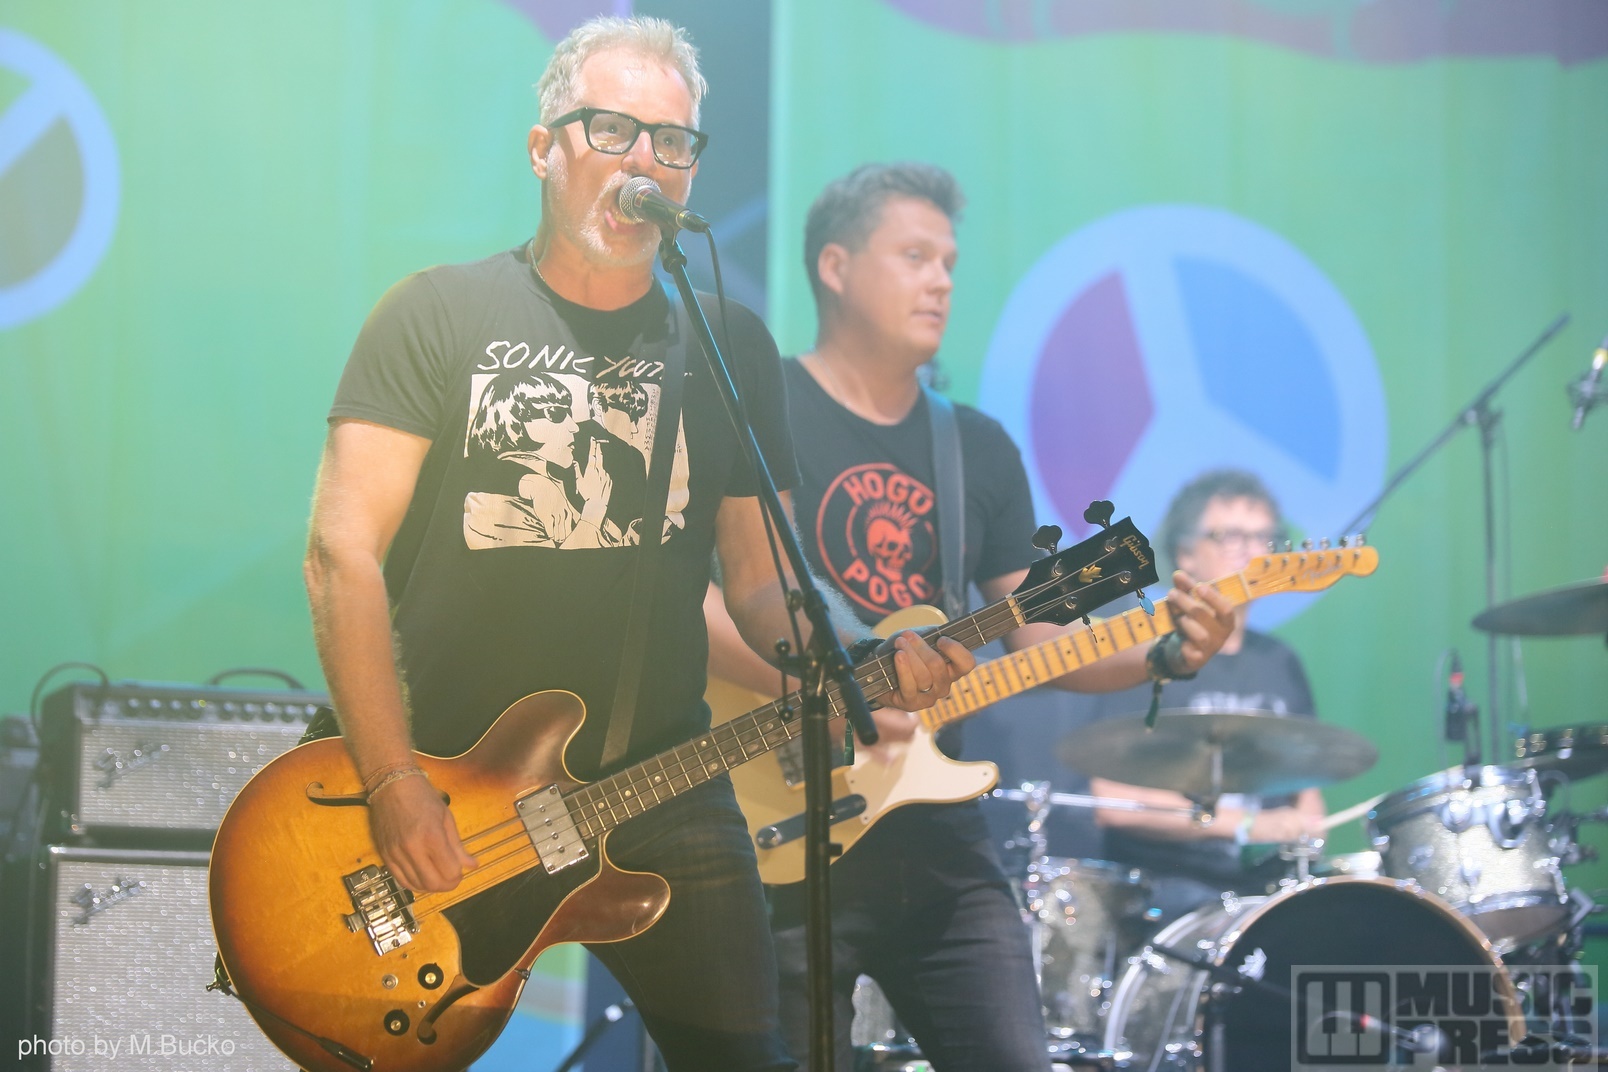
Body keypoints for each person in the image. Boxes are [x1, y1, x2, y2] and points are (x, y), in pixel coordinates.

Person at [303, 20, 971, 1072]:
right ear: (543, 148)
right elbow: (341, 555)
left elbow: (762, 584)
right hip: (445, 781)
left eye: (671, 141)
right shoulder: (438, 313)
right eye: (611, 129)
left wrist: (864, 649)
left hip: (657, 783)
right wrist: (391, 780)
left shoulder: (726, 343)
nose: (643, 161)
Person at [703, 162, 1237, 1072]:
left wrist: (1164, 655)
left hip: (935, 835)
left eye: (949, 262)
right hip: (778, 823)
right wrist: (830, 693)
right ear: (835, 267)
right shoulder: (761, 415)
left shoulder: (975, 446)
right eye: (915, 256)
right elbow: (707, 599)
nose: (941, 281)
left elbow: (1038, 636)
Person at [1087, 469, 1327, 922]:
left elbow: (1308, 792)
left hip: (1264, 888)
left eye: (1263, 537)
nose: (1251, 551)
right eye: (1230, 536)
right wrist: (1247, 825)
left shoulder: (1281, 662)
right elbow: (1111, 798)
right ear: (1186, 554)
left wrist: (1307, 830)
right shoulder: (1148, 655)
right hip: (1169, 889)